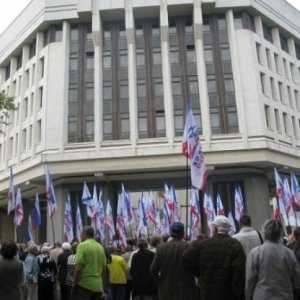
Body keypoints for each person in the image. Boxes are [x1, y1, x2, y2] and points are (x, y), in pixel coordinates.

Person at [183, 216, 246, 300]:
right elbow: (239, 273)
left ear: (215, 229)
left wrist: (199, 273)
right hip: (228, 293)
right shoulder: (236, 245)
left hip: (207, 292)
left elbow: (186, 258)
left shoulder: (203, 244)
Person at [246, 219, 300, 300]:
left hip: (262, 296)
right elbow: (297, 279)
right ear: (281, 233)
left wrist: (248, 296)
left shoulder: (255, 253)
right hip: (284, 296)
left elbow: (250, 280)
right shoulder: (289, 253)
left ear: (264, 232)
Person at [151, 222, 198, 300]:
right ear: (183, 233)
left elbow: (153, 269)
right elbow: (196, 268)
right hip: (185, 290)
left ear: (170, 233)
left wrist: (160, 281)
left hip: (166, 289)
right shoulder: (189, 247)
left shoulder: (161, 248)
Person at [73, 226, 106, 300]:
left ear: (85, 234)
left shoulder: (82, 245)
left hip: (84, 286)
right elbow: (104, 269)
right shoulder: (100, 247)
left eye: (81, 234)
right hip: (98, 287)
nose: (80, 236)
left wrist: (75, 283)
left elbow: (78, 268)